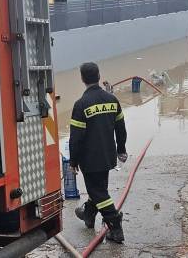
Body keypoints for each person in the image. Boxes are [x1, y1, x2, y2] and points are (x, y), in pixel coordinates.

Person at [70, 62, 128, 243]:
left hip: (90, 159)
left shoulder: (81, 104)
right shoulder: (112, 100)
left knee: (98, 192)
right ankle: (88, 213)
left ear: (82, 79)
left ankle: (115, 226)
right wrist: (121, 149)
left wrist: (73, 161)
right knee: (99, 189)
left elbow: (76, 138)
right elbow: (121, 127)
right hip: (107, 155)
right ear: (98, 76)